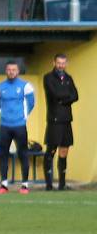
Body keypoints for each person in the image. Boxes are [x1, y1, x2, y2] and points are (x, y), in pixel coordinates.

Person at [0, 60, 35, 194]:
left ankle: (24, 185)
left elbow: (31, 104)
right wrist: (6, 116)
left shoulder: (26, 86)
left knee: (23, 154)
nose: (11, 72)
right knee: (3, 154)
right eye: (9, 70)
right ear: (6, 71)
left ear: (18, 71)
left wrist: (22, 117)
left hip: (20, 126)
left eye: (14, 70)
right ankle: (4, 185)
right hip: (4, 126)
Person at [42, 53, 78, 191]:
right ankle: (49, 185)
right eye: (59, 63)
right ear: (54, 63)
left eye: (63, 63)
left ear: (66, 63)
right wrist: (66, 96)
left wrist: (63, 99)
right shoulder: (48, 77)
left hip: (67, 119)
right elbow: (54, 94)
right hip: (54, 119)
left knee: (64, 151)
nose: (61, 65)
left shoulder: (69, 78)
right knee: (51, 151)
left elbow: (76, 95)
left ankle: (62, 184)